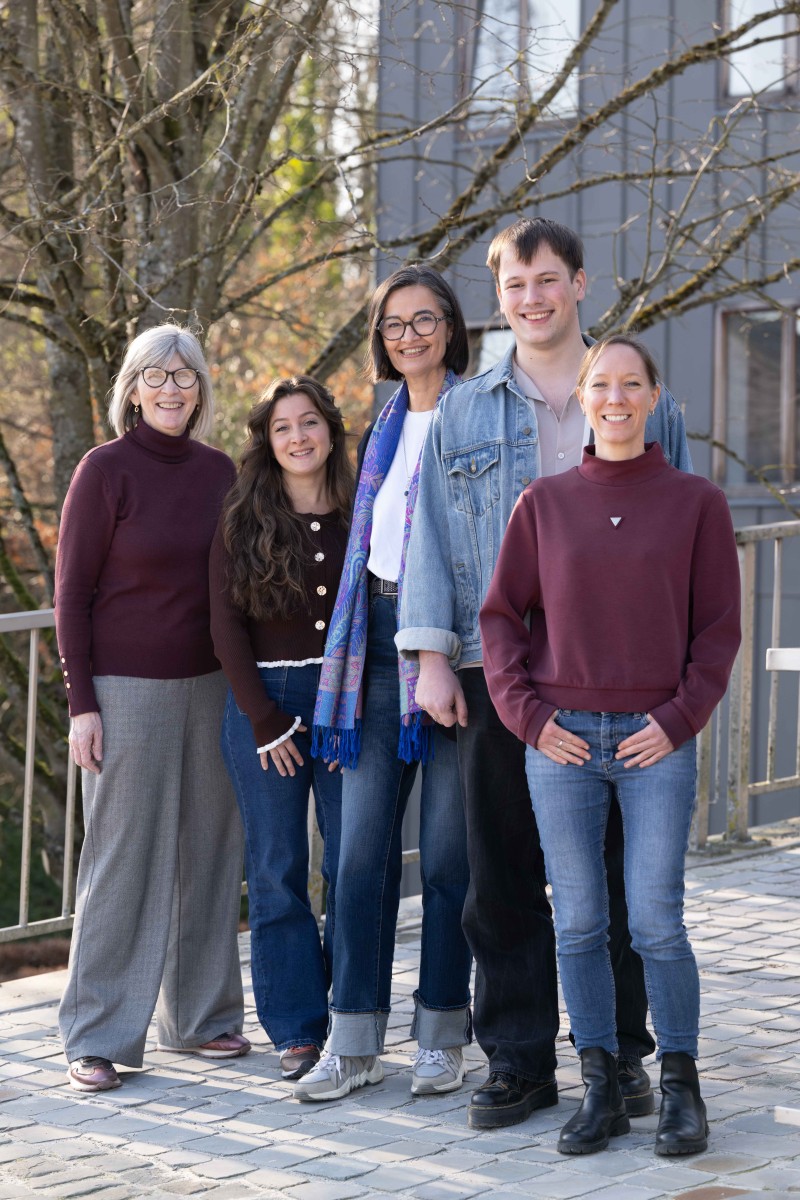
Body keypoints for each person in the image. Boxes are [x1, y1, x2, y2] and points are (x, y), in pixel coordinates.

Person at [396, 217, 692, 1129]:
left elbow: (677, 541)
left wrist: (681, 689)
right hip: (500, 673)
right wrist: (433, 655)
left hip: (623, 682)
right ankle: (519, 1061)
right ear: (501, 298)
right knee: (504, 874)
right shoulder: (465, 410)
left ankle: (626, 1057)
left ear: (579, 285)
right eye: (515, 286)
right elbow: (434, 537)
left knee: (621, 877)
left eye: (548, 281)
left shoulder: (640, 399)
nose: (533, 299)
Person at [480, 333, 740, 1155]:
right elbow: (499, 622)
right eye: (603, 385)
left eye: (633, 384)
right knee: (581, 922)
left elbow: (719, 632)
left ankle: (681, 1089)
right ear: (583, 399)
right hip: (561, 743)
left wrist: (677, 719)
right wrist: (529, 718)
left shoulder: (696, 502)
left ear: (655, 397)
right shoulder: (542, 504)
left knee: (657, 921)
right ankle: (599, 1084)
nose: (617, 398)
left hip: (656, 740)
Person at [294, 266, 473, 1102]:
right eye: (394, 324)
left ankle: (441, 1032)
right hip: (374, 650)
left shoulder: (478, 414)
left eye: (424, 320)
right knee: (359, 857)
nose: (409, 336)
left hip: (460, 653)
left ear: (451, 327)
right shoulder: (385, 424)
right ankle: (353, 1038)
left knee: (445, 857)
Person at [55, 323, 248, 1093]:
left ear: (201, 388)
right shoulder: (104, 471)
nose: (172, 390)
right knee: (123, 859)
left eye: (186, 376)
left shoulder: (221, 471)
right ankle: (97, 1033)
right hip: (126, 690)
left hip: (213, 686)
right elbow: (70, 594)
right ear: (132, 388)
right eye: (156, 377)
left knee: (209, 854)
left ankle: (199, 1019)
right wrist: (82, 703)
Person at [210, 376, 353, 1082]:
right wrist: (264, 720)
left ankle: (353, 1018)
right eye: (283, 427)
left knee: (351, 865)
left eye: (310, 423)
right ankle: (297, 1028)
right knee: (276, 870)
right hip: (265, 706)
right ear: (267, 441)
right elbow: (224, 627)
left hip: (347, 704)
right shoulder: (242, 517)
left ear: (331, 430)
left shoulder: (366, 509)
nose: (298, 437)